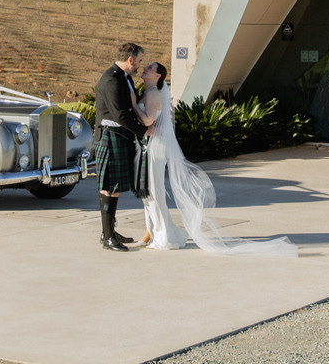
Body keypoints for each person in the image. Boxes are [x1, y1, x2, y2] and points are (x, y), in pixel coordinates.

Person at [133, 61, 297, 257]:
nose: (146, 69)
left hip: (155, 146)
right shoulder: (149, 91)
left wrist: (133, 105)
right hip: (150, 145)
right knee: (149, 190)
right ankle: (157, 232)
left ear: (158, 76)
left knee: (154, 191)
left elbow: (148, 120)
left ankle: (163, 235)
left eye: (150, 67)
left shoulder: (152, 94)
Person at [92, 42, 147, 251]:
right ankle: (107, 237)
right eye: (139, 61)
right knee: (109, 188)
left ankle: (109, 231)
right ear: (130, 59)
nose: (140, 65)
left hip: (118, 136)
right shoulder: (112, 80)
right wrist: (144, 131)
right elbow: (120, 115)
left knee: (113, 188)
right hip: (110, 135)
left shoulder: (124, 77)